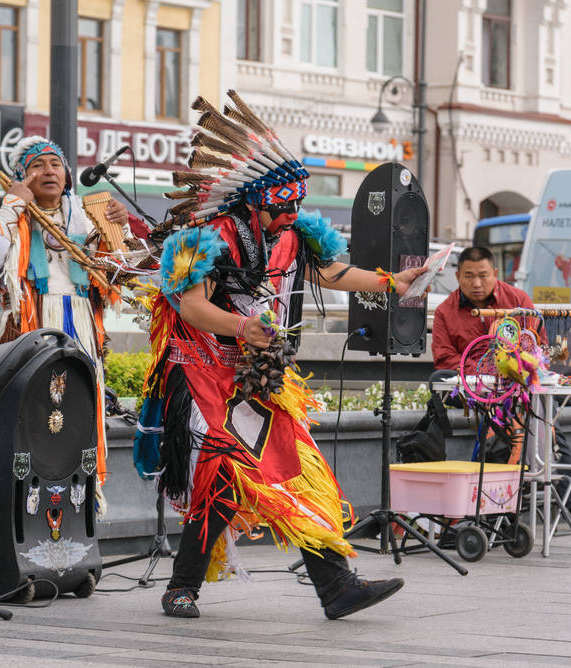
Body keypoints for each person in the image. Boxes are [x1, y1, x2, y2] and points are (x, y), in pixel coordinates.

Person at [135, 90, 429, 620]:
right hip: (201, 372)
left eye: (296, 206)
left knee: (300, 468)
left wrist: (391, 281)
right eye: (282, 206)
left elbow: (333, 273)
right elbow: (192, 307)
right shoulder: (205, 239)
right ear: (254, 201)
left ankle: (336, 587)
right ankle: (183, 586)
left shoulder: (291, 234)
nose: (290, 215)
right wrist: (243, 326)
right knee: (221, 470)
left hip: (258, 377)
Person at [0, 135, 137, 499]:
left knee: (79, 412)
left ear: (67, 175)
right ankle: (29, 494)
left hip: (80, 324)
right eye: (37, 166)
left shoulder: (86, 215)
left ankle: (82, 497)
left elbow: (124, 271)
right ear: (21, 177)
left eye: (56, 164)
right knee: (32, 413)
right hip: (33, 326)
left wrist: (120, 228)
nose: (48, 171)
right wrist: (13, 204)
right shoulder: (11, 216)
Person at [431, 246, 571, 533]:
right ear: (457, 275)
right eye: (469, 276)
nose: (476, 283)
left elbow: (539, 346)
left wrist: (515, 368)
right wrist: (486, 369)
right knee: (514, 419)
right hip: (473, 390)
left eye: (483, 276)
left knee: (544, 422)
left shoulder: (518, 300)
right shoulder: (445, 312)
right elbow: (444, 358)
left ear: (495, 274)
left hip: (518, 389)